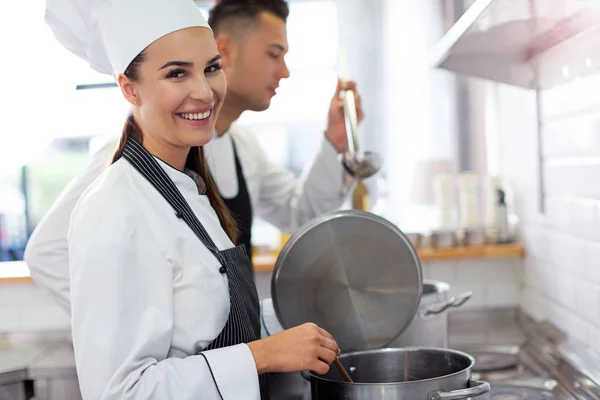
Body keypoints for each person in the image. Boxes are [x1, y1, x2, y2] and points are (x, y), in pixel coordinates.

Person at [45, 0, 341, 398]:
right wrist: (260, 355)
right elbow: (122, 392)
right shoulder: (114, 207)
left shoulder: (193, 188)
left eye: (211, 68)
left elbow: (201, 323)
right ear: (129, 88)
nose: (204, 92)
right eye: (177, 74)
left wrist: (290, 329)